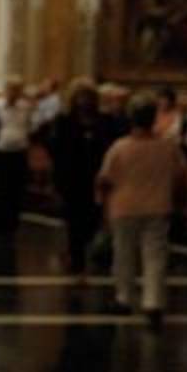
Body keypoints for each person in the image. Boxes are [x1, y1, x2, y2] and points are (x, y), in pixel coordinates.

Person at [96, 94, 185, 327]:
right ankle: (153, 302)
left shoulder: (121, 147)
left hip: (124, 207)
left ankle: (124, 297)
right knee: (155, 256)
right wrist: (180, 201)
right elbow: (180, 177)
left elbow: (105, 179)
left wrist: (102, 205)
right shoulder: (168, 147)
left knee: (123, 254)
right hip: (158, 205)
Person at [49, 78, 122, 276]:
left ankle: (89, 255)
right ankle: (76, 261)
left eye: (88, 96)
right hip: (72, 178)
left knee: (94, 219)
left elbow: (115, 145)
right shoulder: (63, 121)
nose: (84, 101)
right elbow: (56, 152)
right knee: (74, 222)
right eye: (80, 96)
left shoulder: (105, 121)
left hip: (98, 176)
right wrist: (56, 182)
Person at [0, 77, 32, 233]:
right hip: (0, 151)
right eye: (11, 89)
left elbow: (28, 126)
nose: (14, 92)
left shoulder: (25, 107)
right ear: (5, 90)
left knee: (16, 188)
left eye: (17, 89)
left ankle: (12, 222)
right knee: (0, 188)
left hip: (19, 152)